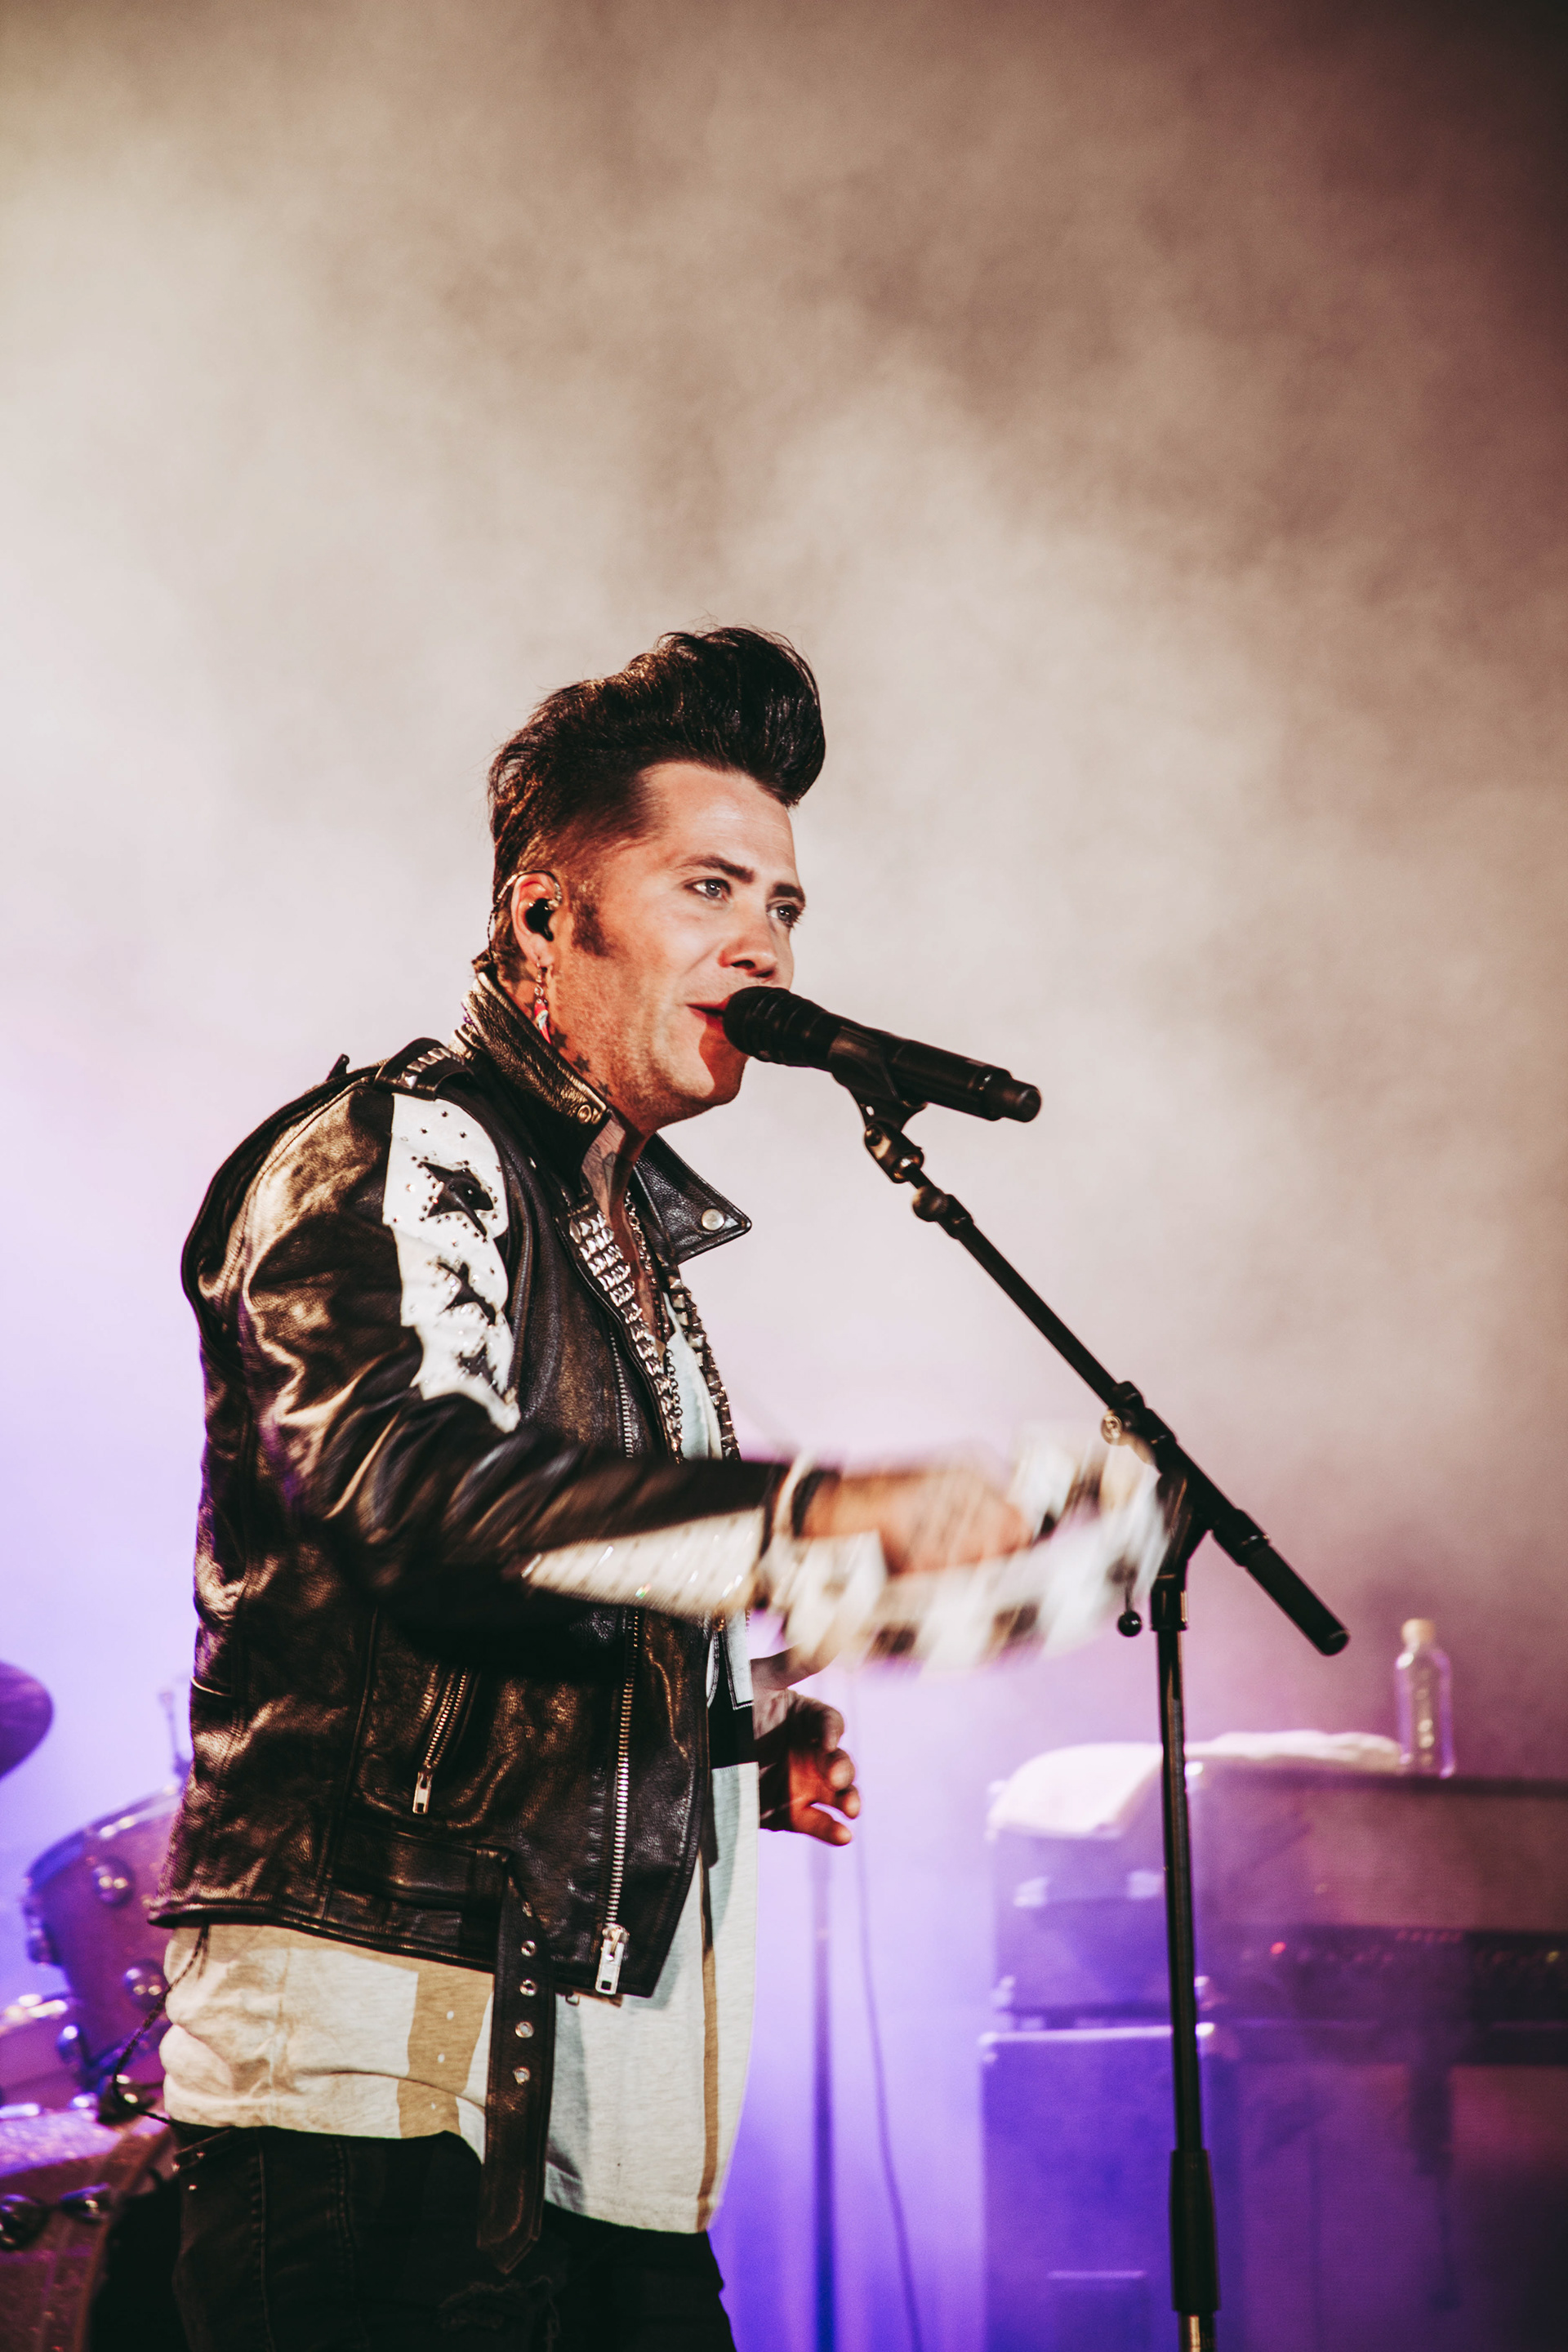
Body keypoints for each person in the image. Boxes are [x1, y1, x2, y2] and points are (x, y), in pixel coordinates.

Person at [150, 627, 1098, 2350]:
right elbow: (416, 1493)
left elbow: (546, 1590)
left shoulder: (616, 1232)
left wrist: (735, 1732)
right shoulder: (403, 1147)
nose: (764, 942)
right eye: (709, 887)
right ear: (543, 916)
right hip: (388, 2081)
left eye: (786, 905)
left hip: (585, 2097)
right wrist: (810, 1515)